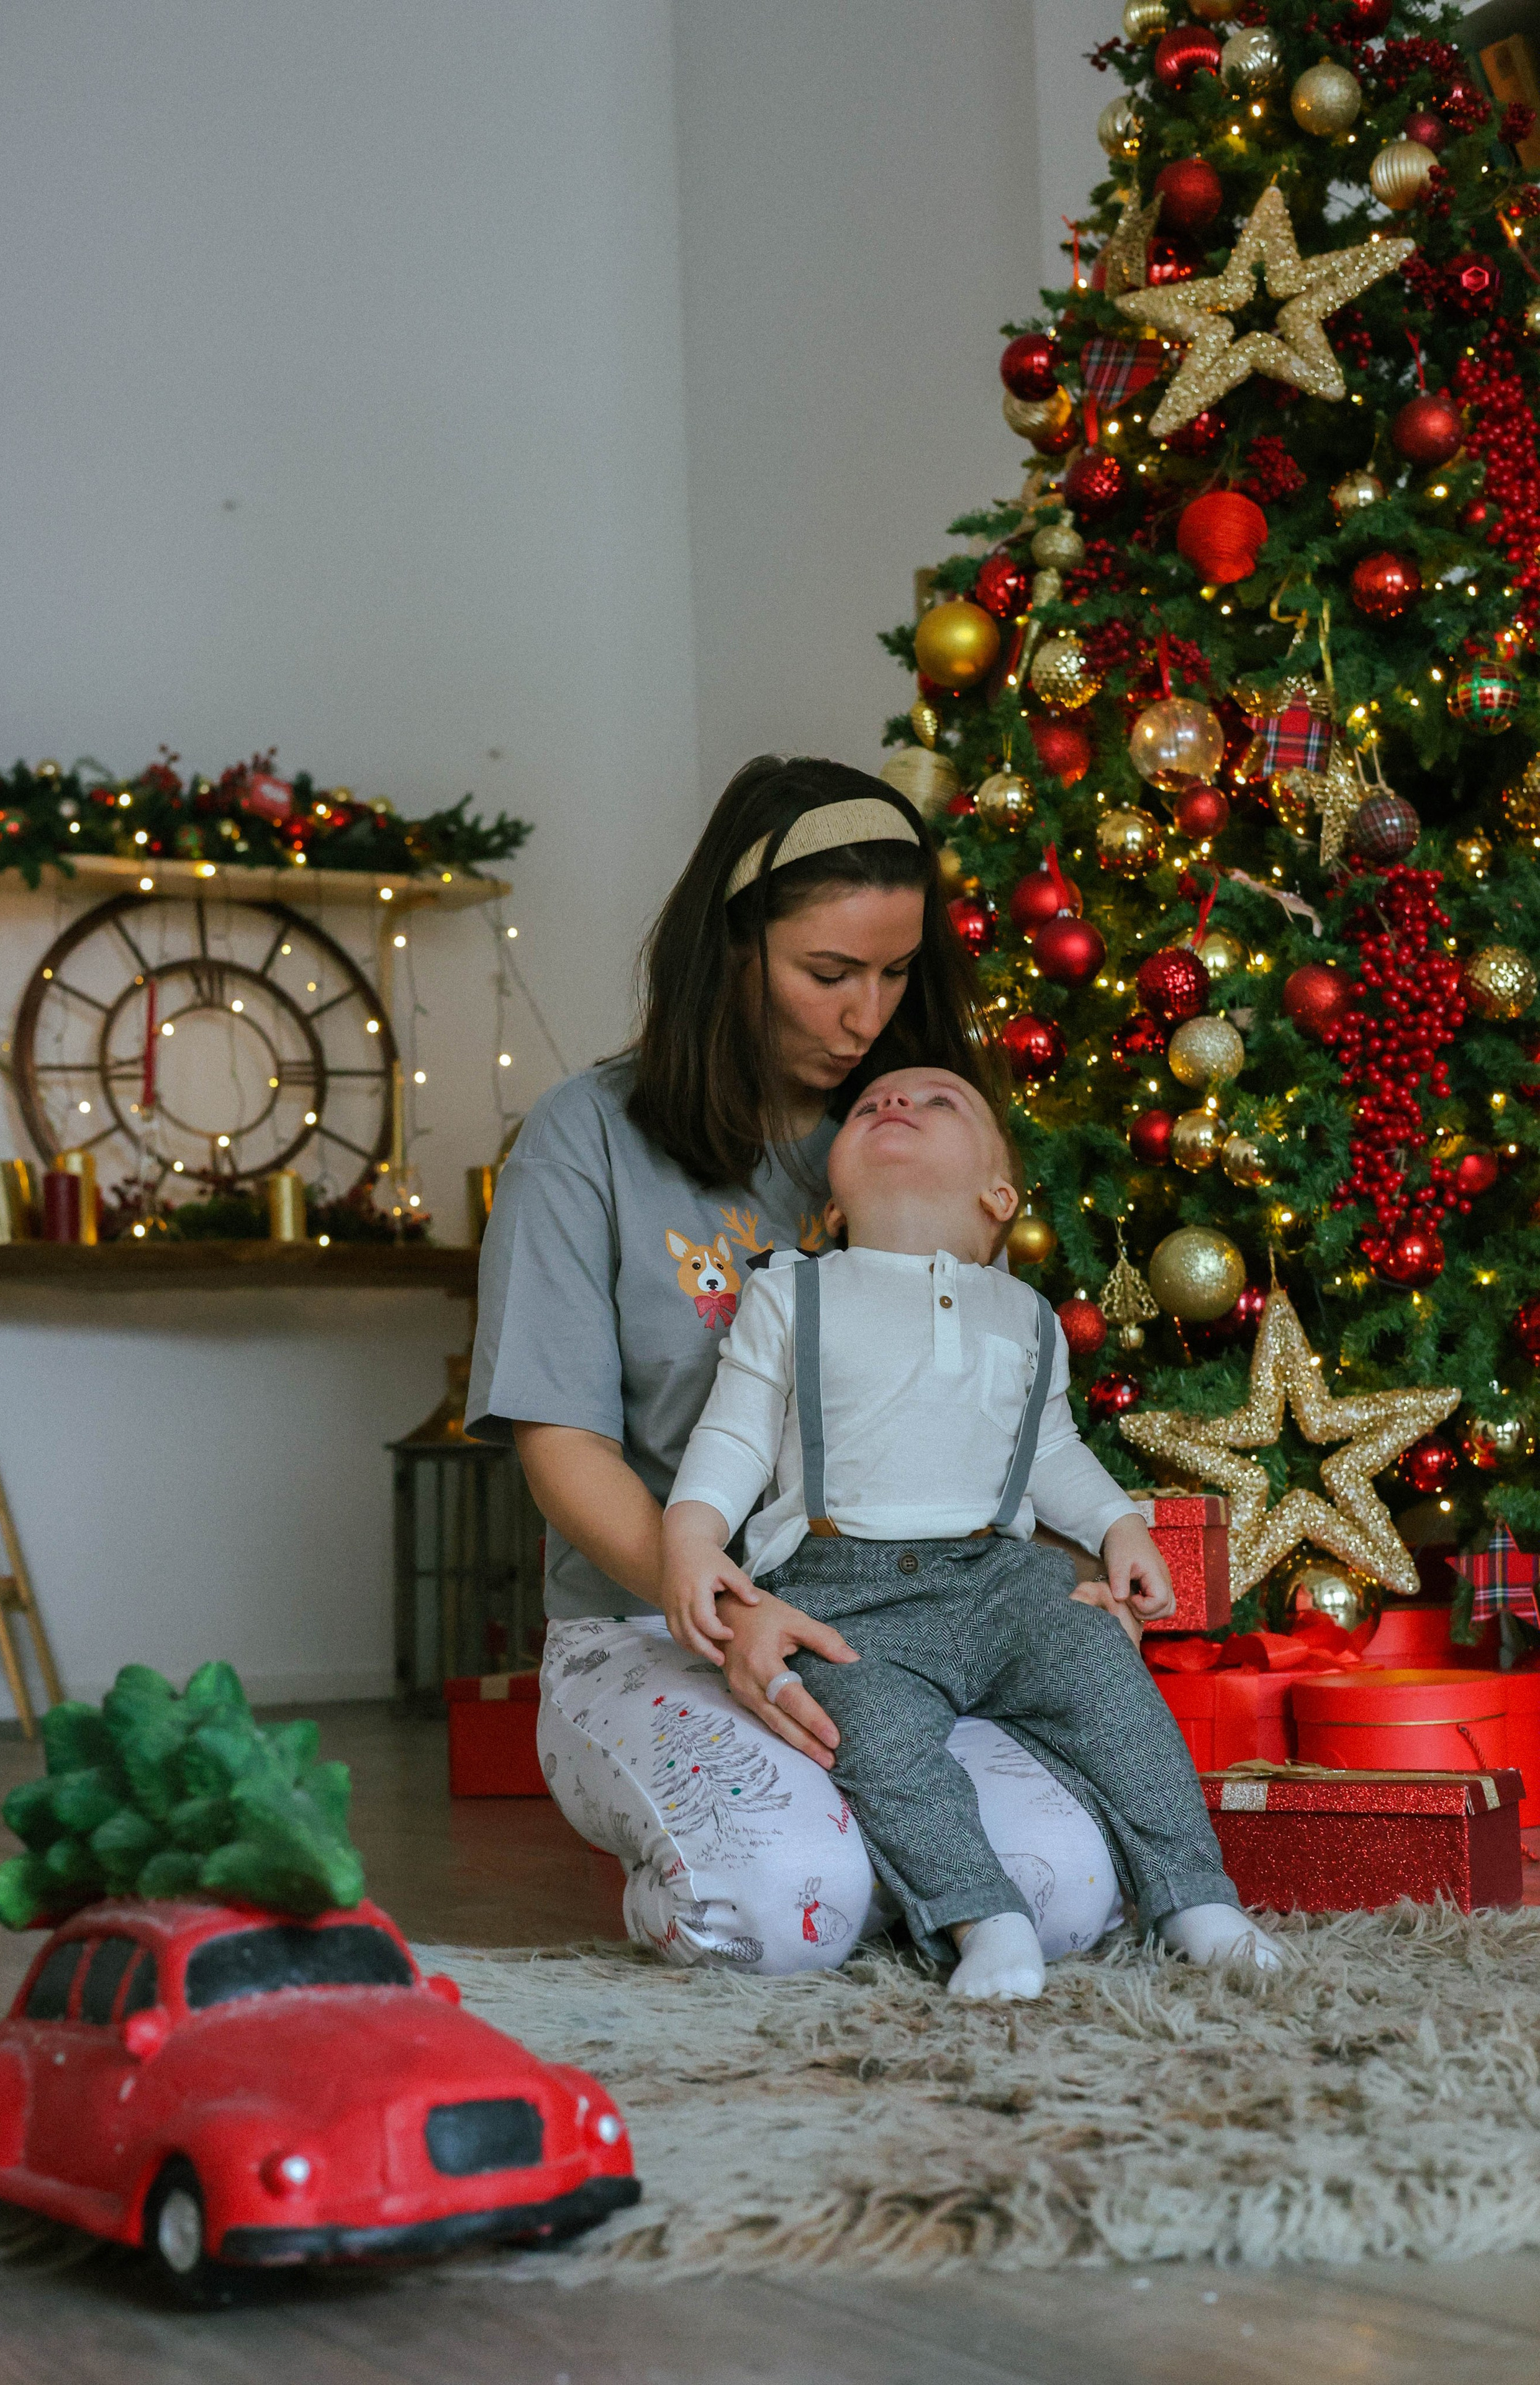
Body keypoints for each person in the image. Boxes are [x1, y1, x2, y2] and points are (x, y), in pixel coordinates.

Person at [467, 755, 1141, 1975]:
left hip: (911, 1633)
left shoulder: (914, 1132)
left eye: (894, 973)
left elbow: (1001, 1415)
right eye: (827, 973)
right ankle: (796, 1871)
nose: (864, 1016)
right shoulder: (585, 1139)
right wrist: (723, 1610)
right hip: (645, 1629)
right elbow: (561, 1445)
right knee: (786, 1906)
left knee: (1068, 1892)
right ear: (730, 955)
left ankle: (890, 1875)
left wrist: (1077, 1568)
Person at [663, 1064, 1280, 2001]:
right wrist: (693, 1535)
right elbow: (737, 1433)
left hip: (1001, 1576)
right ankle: (983, 1918)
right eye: (869, 1106)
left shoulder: (1027, 1315)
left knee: (1110, 1689)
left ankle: (1197, 1898)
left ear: (999, 1196)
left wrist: (1117, 1522)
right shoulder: (796, 1293)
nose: (893, 1104)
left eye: (935, 1102)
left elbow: (1052, 1450)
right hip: (843, 1586)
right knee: (870, 1740)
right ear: (833, 1204)